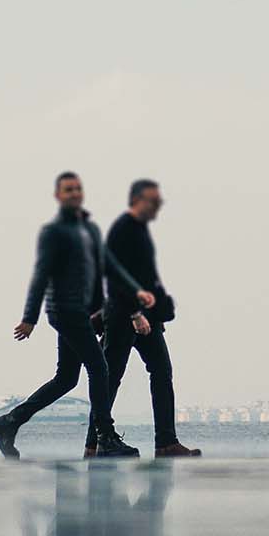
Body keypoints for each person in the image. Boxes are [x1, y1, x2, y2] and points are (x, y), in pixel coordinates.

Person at [0, 172, 116, 457]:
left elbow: (96, 275)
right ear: (58, 196)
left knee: (67, 378)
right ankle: (105, 436)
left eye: (78, 189)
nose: (74, 193)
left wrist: (100, 312)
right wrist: (29, 318)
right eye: (68, 190)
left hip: (81, 311)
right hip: (64, 309)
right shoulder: (54, 233)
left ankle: (10, 421)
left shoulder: (90, 229)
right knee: (99, 368)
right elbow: (41, 275)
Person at [89, 178, 197, 459]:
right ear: (137, 200)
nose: (158, 204)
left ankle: (166, 443)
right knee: (110, 379)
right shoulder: (123, 230)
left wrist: (156, 313)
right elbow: (114, 276)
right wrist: (135, 314)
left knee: (161, 372)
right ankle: (93, 444)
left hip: (145, 316)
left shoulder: (139, 231)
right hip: (125, 314)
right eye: (153, 199)